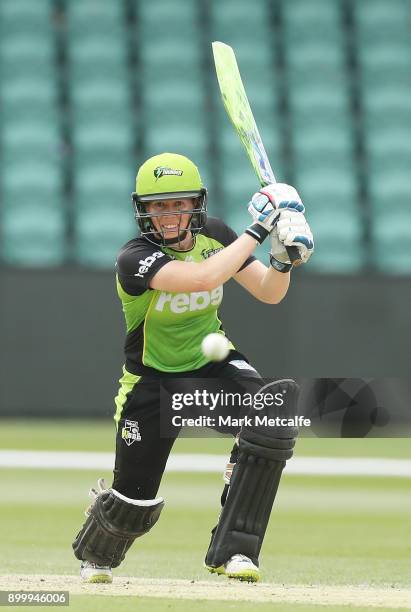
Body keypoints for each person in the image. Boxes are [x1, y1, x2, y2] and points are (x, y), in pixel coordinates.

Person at [72, 152, 314, 583]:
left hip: (211, 364)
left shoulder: (217, 234)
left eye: (178, 203)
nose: (169, 215)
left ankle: (235, 551)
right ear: (142, 210)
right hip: (150, 380)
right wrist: (260, 227)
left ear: (195, 203)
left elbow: (269, 292)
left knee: (271, 414)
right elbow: (201, 278)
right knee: (134, 499)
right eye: (158, 205)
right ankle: (97, 551)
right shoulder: (134, 257)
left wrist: (282, 257)